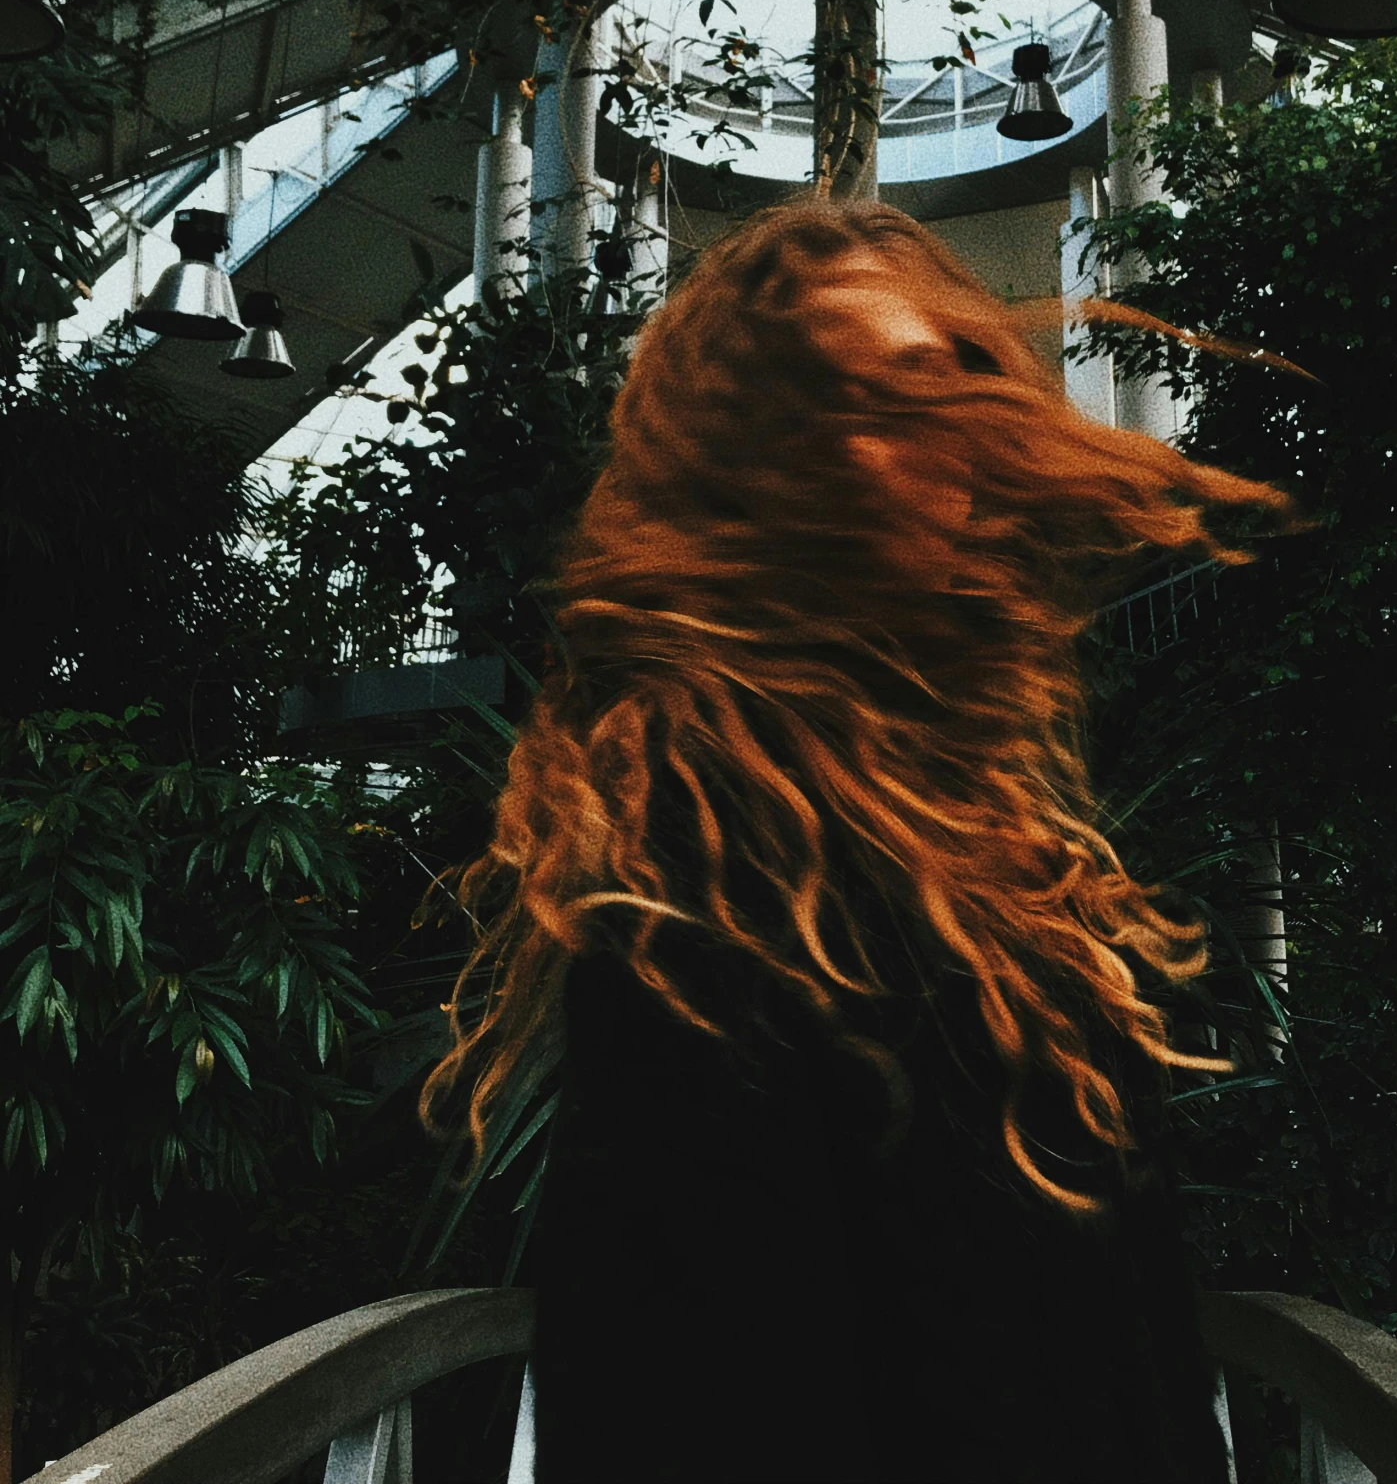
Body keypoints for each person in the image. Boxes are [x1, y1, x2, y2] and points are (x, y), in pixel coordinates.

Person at [426, 199, 1288, 1482]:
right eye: (871, 403)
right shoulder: (707, 867)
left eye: (951, 388)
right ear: (751, 466)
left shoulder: (978, 839)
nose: (944, 443)